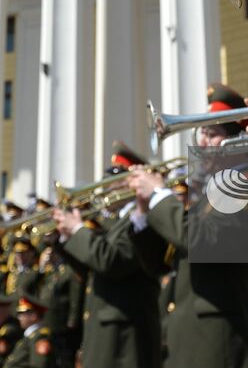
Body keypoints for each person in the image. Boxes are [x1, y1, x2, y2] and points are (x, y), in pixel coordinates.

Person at [126, 83, 248, 368]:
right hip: (190, 340)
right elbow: (161, 264)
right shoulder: (211, 193)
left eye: (211, 133)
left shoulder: (246, 184)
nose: (201, 141)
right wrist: (143, 214)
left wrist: (161, 196)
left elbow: (200, 240)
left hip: (220, 344)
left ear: (236, 141)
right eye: (202, 131)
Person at [52, 142, 162, 368]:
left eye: (117, 180)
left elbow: (111, 261)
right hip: (102, 329)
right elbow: (90, 268)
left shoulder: (143, 219)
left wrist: (77, 231)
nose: (108, 186)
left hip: (126, 334)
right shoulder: (114, 221)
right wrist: (65, 237)